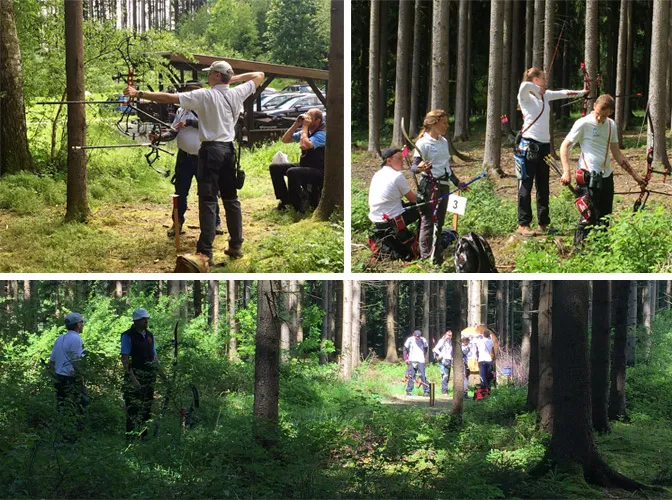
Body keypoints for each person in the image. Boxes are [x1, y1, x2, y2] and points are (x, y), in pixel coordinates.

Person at [125, 61, 264, 263]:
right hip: (228, 151)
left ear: (217, 76)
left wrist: (139, 93)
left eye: (210, 74)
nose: (207, 77)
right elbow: (258, 74)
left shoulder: (205, 95)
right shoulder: (236, 93)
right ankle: (236, 245)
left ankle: (205, 251)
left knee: (208, 200)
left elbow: (169, 98)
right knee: (230, 199)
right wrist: (231, 80)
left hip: (211, 152)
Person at [560, 94, 646, 246]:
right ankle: (578, 250)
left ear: (611, 112)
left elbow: (617, 154)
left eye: (604, 116)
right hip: (587, 177)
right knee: (588, 216)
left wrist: (636, 176)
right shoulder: (583, 123)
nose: (600, 118)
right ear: (594, 106)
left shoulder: (611, 125)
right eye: (598, 113)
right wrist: (566, 171)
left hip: (606, 176)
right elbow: (564, 147)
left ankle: (601, 249)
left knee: (605, 217)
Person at [515, 67, 588, 237]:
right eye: (543, 78)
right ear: (536, 80)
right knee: (526, 184)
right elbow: (524, 86)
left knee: (543, 185)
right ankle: (523, 223)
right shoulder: (525, 96)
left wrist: (581, 92)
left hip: (544, 146)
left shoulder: (545, 95)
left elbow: (564, 93)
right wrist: (536, 88)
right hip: (528, 146)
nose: (545, 81)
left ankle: (543, 223)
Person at [149, 80, 223, 238]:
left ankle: (215, 222)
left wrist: (189, 122)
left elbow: (211, 126)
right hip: (184, 157)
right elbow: (173, 132)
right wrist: (159, 137)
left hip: (204, 157)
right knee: (180, 192)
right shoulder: (181, 110)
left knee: (209, 192)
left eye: (190, 94)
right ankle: (177, 223)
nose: (187, 97)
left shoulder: (207, 108)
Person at [411, 110, 469, 264]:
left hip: (444, 186)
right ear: (434, 123)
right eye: (444, 123)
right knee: (428, 221)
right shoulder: (422, 143)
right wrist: (420, 167)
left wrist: (457, 182)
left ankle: (436, 257)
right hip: (429, 186)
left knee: (440, 223)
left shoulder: (443, 141)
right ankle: (425, 258)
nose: (446, 126)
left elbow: (446, 167)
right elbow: (413, 167)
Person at [269, 108, 327, 212]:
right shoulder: (307, 131)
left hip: (318, 170)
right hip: (304, 165)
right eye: (306, 116)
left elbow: (304, 145)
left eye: (310, 118)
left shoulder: (322, 133)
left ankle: (298, 205)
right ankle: (285, 200)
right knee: (275, 168)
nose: (306, 119)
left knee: (292, 172)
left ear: (317, 121)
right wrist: (296, 124)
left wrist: (304, 126)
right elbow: (285, 139)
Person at [367, 147, 419, 260]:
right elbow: (413, 199)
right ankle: (422, 240)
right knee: (422, 208)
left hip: (377, 219)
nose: (402, 161)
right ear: (389, 160)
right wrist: (422, 197)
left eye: (403, 158)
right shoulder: (397, 176)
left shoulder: (377, 174)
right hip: (392, 220)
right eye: (399, 158)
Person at [121, 308, 163, 440]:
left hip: (149, 378)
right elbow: (125, 359)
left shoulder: (150, 336)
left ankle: (143, 437)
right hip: (135, 377)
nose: (146, 321)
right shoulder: (127, 336)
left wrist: (163, 375)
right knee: (133, 409)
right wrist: (133, 379)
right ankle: (130, 439)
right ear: (136, 321)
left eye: (147, 319)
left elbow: (154, 357)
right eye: (143, 319)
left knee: (146, 408)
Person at [49, 312, 87, 435]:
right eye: (82, 322)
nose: (83, 325)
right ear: (77, 325)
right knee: (79, 406)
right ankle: (75, 436)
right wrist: (81, 382)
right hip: (71, 379)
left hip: (59, 378)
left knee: (62, 407)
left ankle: (61, 435)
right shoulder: (77, 339)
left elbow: (52, 363)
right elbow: (76, 363)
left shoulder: (59, 339)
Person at [403, 329, 430, 396]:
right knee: (411, 375)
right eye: (416, 336)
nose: (417, 337)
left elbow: (426, 348)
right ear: (413, 335)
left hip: (420, 359)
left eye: (418, 336)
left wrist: (424, 356)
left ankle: (426, 391)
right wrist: (406, 358)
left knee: (422, 375)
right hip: (412, 359)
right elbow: (405, 349)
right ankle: (409, 391)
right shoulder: (410, 339)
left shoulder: (423, 340)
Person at [432, 330, 453, 395]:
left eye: (450, 335)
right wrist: (441, 355)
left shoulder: (450, 342)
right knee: (445, 375)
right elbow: (435, 349)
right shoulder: (442, 341)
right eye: (448, 335)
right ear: (445, 334)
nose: (449, 337)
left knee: (448, 376)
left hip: (449, 360)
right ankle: (444, 391)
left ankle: (445, 389)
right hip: (443, 360)